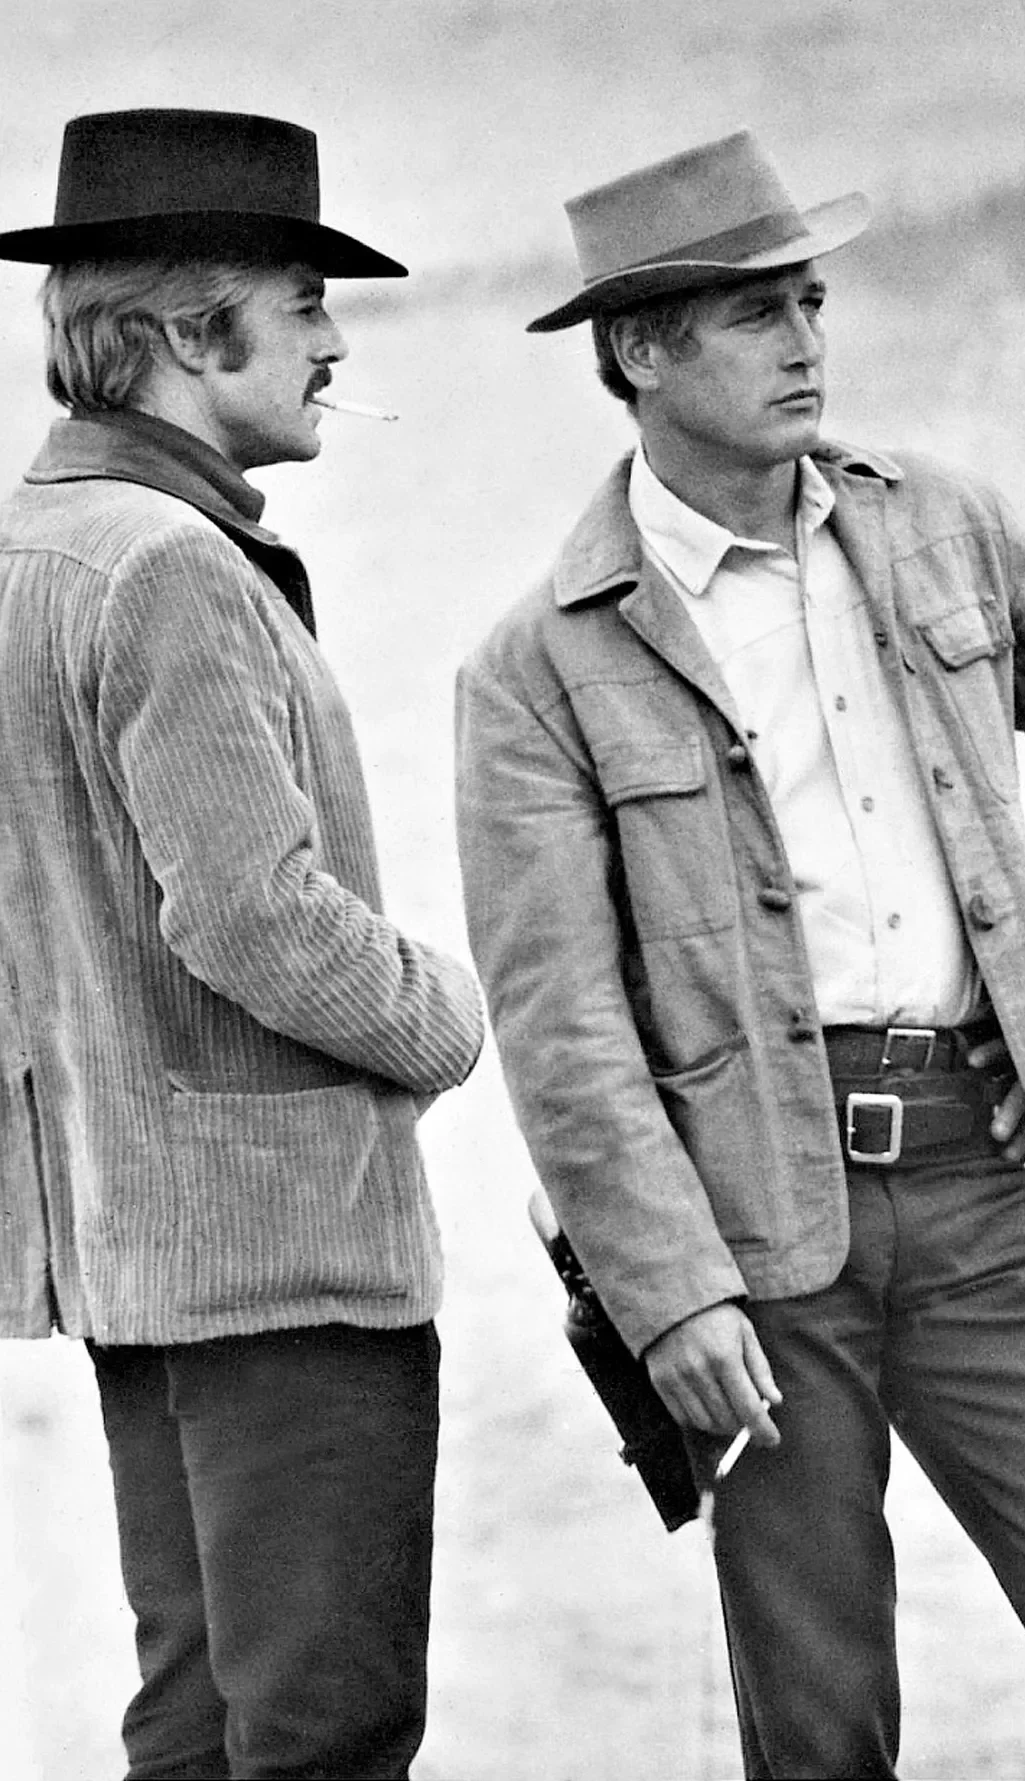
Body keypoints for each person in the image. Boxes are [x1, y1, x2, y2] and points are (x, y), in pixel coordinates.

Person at [454, 130, 1025, 1779]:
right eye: (753, 315)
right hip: (750, 1236)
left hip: (976, 1194)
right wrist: (670, 1292)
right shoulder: (534, 668)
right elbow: (563, 1025)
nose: (808, 343)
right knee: (818, 1720)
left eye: (810, 303)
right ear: (640, 351)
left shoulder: (944, 527)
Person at [0, 109, 483, 1781]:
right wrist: (443, 1015)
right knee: (324, 1733)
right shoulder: (164, 569)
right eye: (301, 302)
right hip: (278, 1264)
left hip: (138, 1252)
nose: (338, 339)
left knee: (203, 1728)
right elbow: (252, 912)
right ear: (194, 338)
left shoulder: (33, 547)